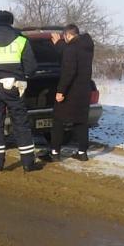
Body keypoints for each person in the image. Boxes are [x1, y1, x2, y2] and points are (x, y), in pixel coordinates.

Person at [0, 10, 41, 172]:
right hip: (15, 87)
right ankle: (28, 163)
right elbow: (32, 67)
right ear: (11, 22)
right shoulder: (21, 40)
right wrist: (23, 75)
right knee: (21, 124)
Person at [43, 25, 95, 162]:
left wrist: (60, 91)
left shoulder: (71, 49)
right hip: (84, 91)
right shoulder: (87, 47)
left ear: (67, 35)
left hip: (71, 92)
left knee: (58, 121)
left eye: (64, 37)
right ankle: (82, 153)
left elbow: (68, 71)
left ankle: (54, 153)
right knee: (81, 122)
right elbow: (72, 53)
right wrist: (61, 44)